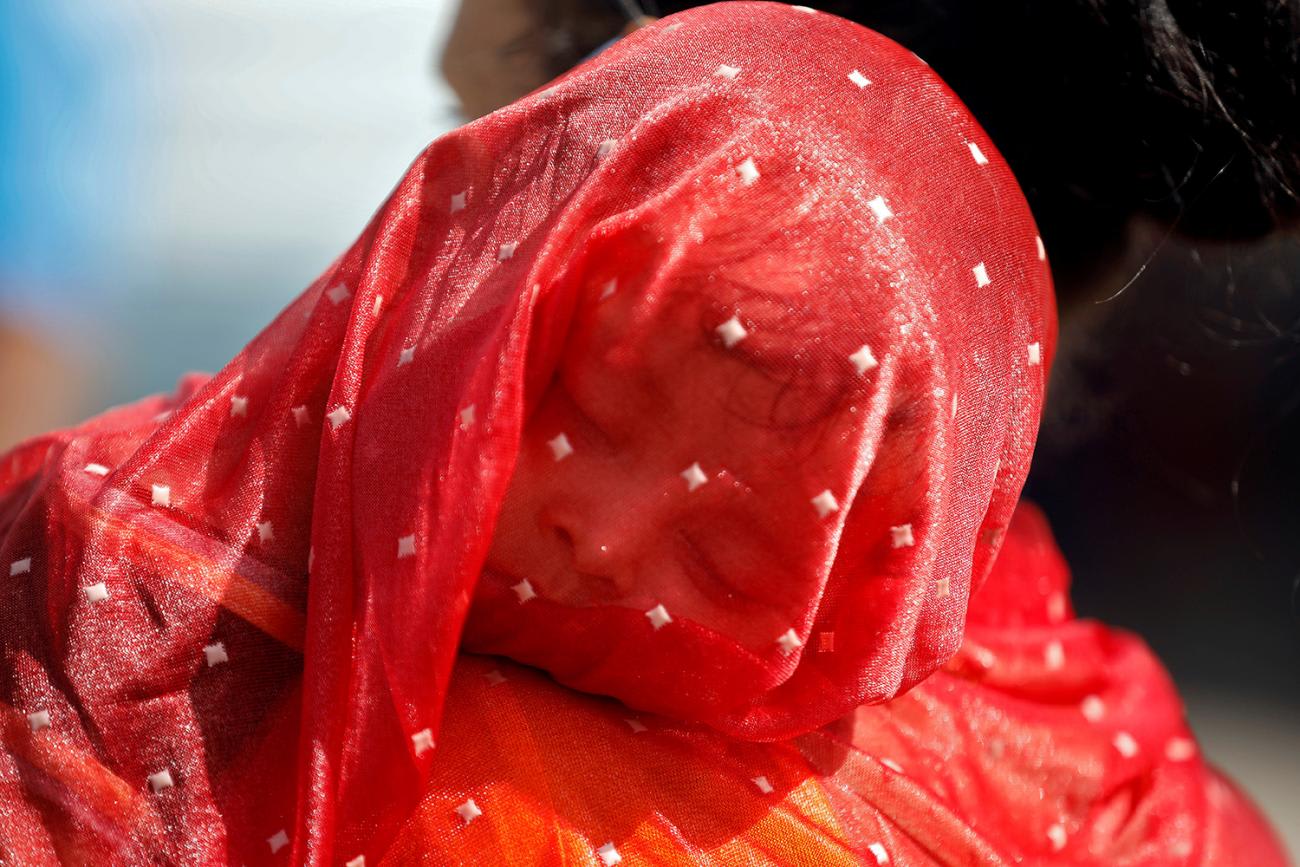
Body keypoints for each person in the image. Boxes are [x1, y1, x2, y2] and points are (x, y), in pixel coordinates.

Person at [0, 3, 1288, 865]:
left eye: (729, 556)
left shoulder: (122, 586)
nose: (601, 543)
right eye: (581, 418)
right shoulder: (1117, 790)